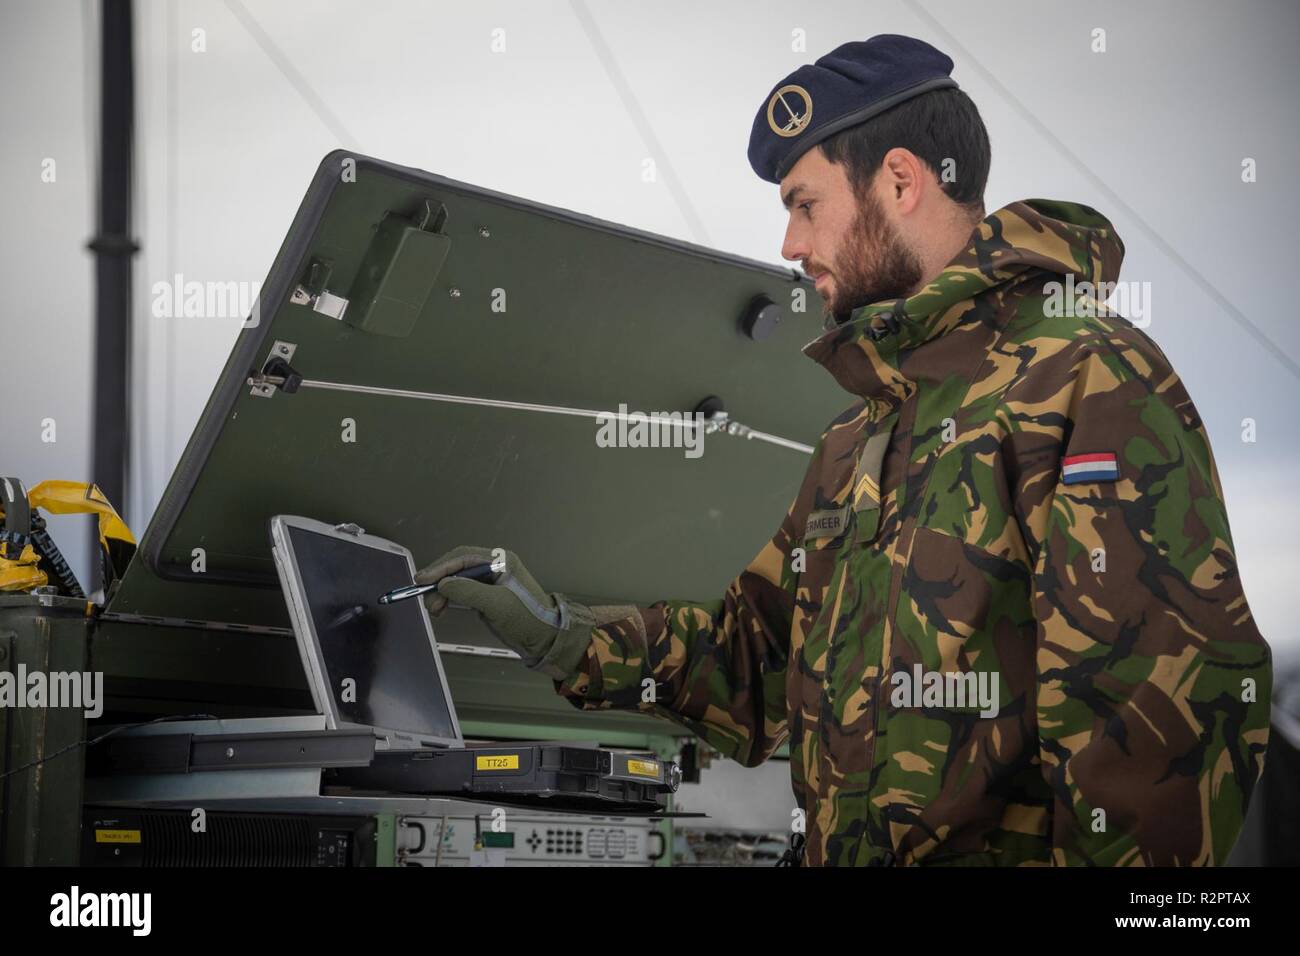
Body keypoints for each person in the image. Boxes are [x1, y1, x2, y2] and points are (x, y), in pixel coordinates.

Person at [417, 35, 1272, 866]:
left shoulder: (1087, 378)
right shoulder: (858, 438)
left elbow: (1168, 716)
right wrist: (561, 636)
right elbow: (757, 665)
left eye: (804, 204)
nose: (789, 247)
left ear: (899, 181)